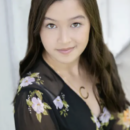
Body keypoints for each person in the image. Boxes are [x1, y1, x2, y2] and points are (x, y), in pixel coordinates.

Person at [13, 0, 130, 130]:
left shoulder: (102, 59)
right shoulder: (33, 98)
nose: (64, 39)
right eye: (51, 25)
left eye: (75, 24)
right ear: (37, 27)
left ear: (91, 22)